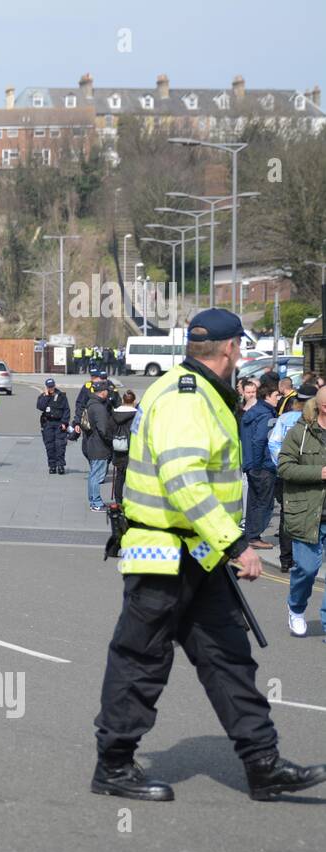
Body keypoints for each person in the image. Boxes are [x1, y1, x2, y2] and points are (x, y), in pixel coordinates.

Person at [94, 308, 326, 802]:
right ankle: (114, 765)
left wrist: (219, 545)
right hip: (163, 553)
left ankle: (262, 765)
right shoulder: (186, 397)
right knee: (141, 660)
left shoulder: (198, 391)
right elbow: (184, 481)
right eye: (241, 348)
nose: (241, 356)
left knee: (228, 660)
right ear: (231, 350)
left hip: (195, 553)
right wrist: (236, 543)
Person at [277, 387, 326, 636]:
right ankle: (296, 608)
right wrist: (319, 473)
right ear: (322, 407)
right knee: (306, 569)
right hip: (308, 514)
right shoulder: (301, 432)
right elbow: (284, 467)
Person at [269, 382, 315, 573]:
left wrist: (284, 466)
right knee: (310, 514)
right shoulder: (315, 421)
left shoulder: (285, 418)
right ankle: (303, 558)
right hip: (310, 475)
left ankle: (286, 559)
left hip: (285, 475)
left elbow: (273, 444)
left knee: (287, 515)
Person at [241, 381, 278, 550]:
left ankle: (250, 534)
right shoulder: (266, 414)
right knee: (265, 503)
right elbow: (259, 440)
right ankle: (254, 537)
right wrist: (257, 465)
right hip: (262, 466)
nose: (278, 398)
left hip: (251, 464)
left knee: (254, 502)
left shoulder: (253, 411)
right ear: (267, 396)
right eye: (276, 395)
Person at [82, 377, 113, 512]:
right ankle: (96, 502)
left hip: (92, 443)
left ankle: (93, 500)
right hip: (100, 446)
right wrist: (111, 441)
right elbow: (104, 429)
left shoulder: (90, 403)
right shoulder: (99, 408)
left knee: (93, 475)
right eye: (107, 390)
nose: (108, 392)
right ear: (102, 392)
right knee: (97, 476)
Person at [109, 390, 137, 506]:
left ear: (123, 400)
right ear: (134, 401)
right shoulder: (137, 415)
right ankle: (133, 500)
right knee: (134, 477)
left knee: (120, 477)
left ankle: (118, 500)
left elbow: (109, 429)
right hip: (133, 449)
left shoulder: (114, 414)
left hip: (118, 447)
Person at [36, 377, 69, 474]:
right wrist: (46, 396)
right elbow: (40, 407)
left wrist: (64, 422)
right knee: (50, 446)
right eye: (49, 387)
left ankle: (61, 465)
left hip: (59, 423)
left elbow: (66, 410)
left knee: (60, 445)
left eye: (52, 386)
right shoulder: (43, 396)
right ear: (46, 387)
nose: (51, 389)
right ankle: (52, 466)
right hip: (48, 424)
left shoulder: (61, 396)